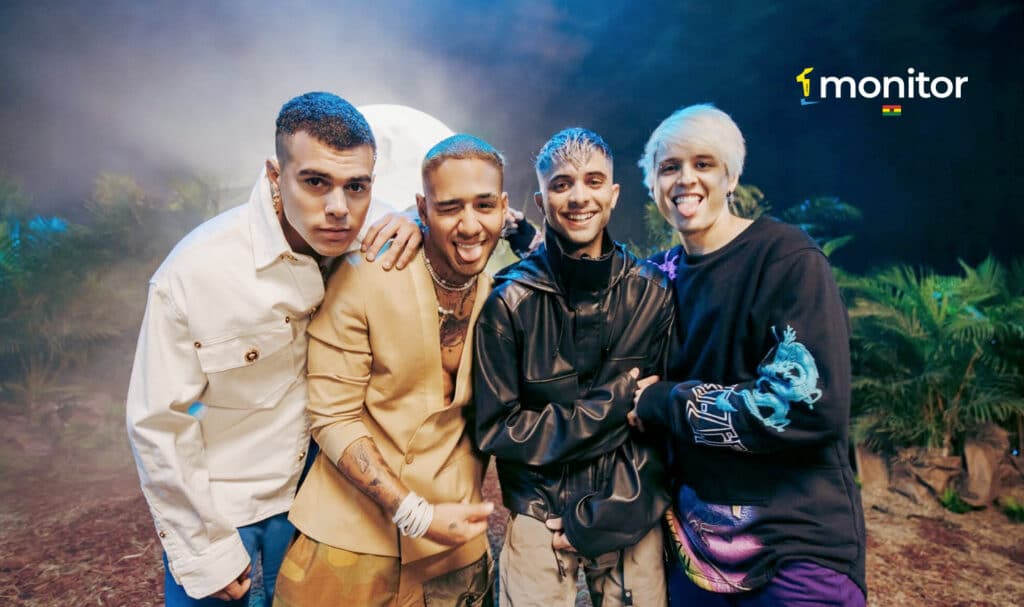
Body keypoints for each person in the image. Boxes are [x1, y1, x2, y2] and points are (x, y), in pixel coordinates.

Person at [126, 92, 422, 605]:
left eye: (356, 186)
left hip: (322, 498)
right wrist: (204, 549)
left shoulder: (373, 233)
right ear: (274, 175)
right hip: (222, 508)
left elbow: (439, 219)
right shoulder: (195, 272)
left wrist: (417, 223)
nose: (339, 208)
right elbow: (159, 422)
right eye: (315, 182)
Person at [631, 104, 867, 606]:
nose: (685, 179)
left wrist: (664, 402)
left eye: (703, 163)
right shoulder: (653, 279)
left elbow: (802, 407)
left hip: (797, 549)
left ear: (731, 176)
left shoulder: (785, 258)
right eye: (669, 167)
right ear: (652, 183)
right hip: (695, 557)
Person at [274, 134, 509, 606]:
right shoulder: (364, 276)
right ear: (423, 209)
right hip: (350, 541)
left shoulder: (503, 297)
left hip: (454, 543)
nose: (469, 225)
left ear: (503, 208)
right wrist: (414, 514)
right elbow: (332, 418)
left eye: (484, 205)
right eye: (449, 207)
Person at [473, 128, 674, 607]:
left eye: (593, 181)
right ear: (541, 201)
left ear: (613, 194)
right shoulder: (509, 301)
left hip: (629, 504)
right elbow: (498, 429)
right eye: (561, 184)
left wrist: (617, 508)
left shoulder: (653, 292)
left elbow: (661, 423)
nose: (579, 196)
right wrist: (613, 405)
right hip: (538, 509)